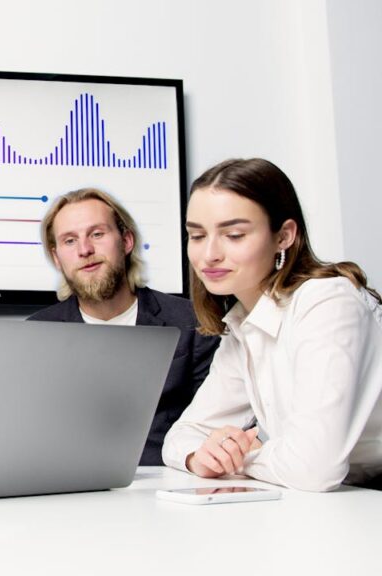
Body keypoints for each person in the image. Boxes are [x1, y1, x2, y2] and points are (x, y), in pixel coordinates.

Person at [163, 158, 382, 491]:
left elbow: (313, 468)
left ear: (284, 236)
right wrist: (200, 455)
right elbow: (182, 437)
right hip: (344, 500)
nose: (208, 255)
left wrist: (245, 456)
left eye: (234, 235)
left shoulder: (327, 301)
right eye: (196, 235)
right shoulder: (243, 323)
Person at [27, 188, 219, 465]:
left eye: (97, 234)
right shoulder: (35, 335)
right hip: (71, 490)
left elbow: (216, 423)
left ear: (126, 240)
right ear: (57, 258)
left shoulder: (191, 321)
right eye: (70, 241)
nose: (85, 250)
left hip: (167, 481)